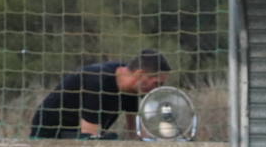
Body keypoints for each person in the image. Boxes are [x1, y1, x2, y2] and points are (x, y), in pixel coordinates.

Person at [30, 50, 172, 139]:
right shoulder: (96, 81)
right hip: (49, 136)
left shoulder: (132, 88)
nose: (156, 90)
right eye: (157, 83)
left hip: (80, 135)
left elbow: (136, 134)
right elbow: (89, 137)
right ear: (140, 74)